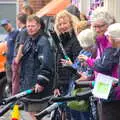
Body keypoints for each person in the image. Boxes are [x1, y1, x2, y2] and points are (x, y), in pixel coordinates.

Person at [19, 15, 54, 120]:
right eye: (28, 26)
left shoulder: (43, 42)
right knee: (31, 112)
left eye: (32, 26)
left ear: (39, 26)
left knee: (36, 113)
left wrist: (41, 82)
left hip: (36, 84)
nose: (30, 28)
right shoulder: (29, 40)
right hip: (28, 82)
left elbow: (46, 63)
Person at [61, 28, 96, 120]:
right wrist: (70, 64)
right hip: (79, 84)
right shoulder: (83, 51)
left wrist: (81, 78)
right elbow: (77, 66)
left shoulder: (94, 53)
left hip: (87, 88)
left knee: (86, 113)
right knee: (76, 111)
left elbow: (89, 75)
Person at [53, 10, 82, 119]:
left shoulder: (75, 41)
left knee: (72, 115)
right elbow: (57, 65)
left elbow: (78, 65)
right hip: (62, 84)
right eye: (59, 24)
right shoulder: (60, 41)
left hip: (73, 84)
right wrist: (56, 85)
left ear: (71, 23)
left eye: (65, 23)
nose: (62, 26)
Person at [0, 19, 19, 95]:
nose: (5, 27)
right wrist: (5, 53)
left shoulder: (17, 33)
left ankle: (17, 100)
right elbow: (9, 47)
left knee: (15, 82)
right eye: (3, 26)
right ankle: (12, 98)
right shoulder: (7, 36)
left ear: (10, 23)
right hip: (7, 62)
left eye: (6, 25)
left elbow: (19, 46)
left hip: (14, 61)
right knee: (9, 81)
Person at [12, 13, 27, 95]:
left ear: (19, 21)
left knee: (16, 82)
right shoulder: (23, 31)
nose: (16, 22)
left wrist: (16, 60)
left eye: (16, 20)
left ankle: (15, 101)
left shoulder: (24, 31)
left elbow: (22, 45)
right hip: (19, 60)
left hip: (18, 61)